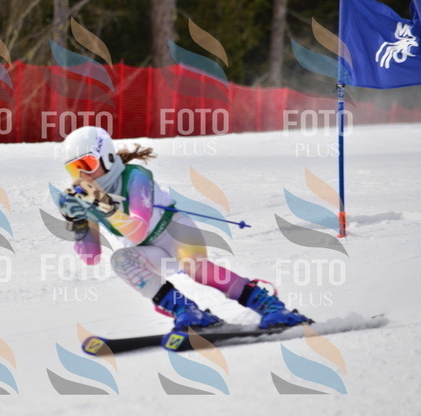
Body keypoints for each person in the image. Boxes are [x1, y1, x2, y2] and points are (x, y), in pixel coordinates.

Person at [57, 126, 309, 336]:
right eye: (74, 169)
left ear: (108, 157)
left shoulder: (136, 176)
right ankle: (188, 312)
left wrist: (105, 206)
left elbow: (137, 230)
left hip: (176, 233)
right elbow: (91, 258)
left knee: (197, 270)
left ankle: (272, 306)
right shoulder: (89, 198)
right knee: (121, 261)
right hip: (150, 251)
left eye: (87, 163)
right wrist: (78, 223)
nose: (82, 174)